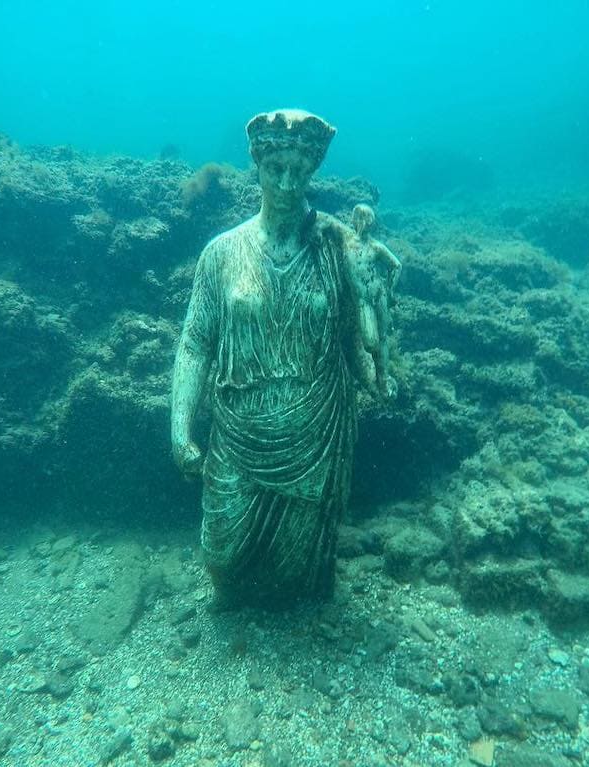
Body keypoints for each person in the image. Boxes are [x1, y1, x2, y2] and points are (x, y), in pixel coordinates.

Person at [170, 109, 398, 605]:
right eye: (276, 169)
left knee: (299, 575)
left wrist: (377, 375)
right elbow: (195, 343)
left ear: (313, 172)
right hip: (240, 430)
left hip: (316, 428)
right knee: (223, 559)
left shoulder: (336, 248)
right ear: (258, 167)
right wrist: (180, 427)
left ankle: (301, 613)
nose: (288, 183)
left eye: (300, 171)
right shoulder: (222, 253)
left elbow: (354, 334)